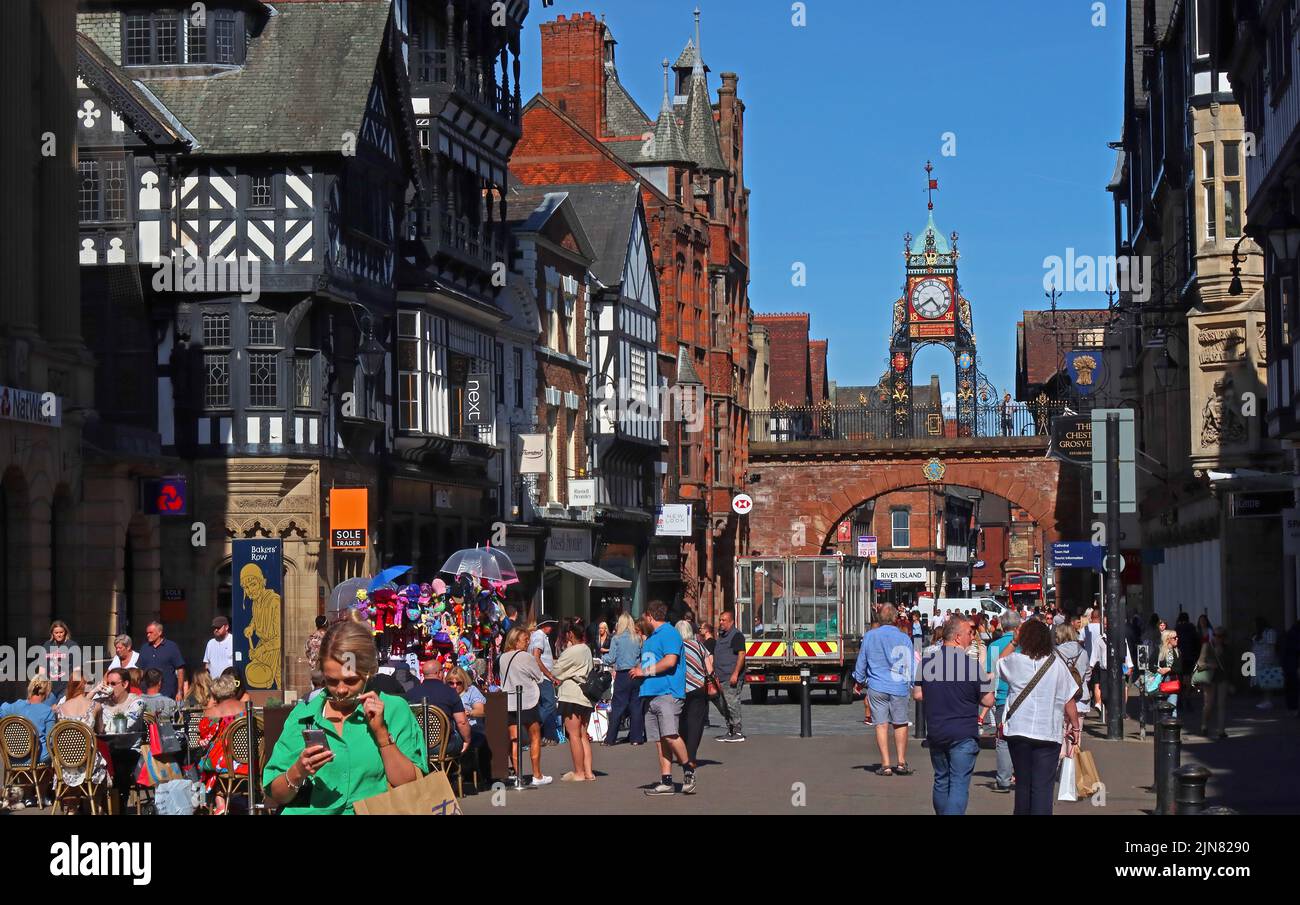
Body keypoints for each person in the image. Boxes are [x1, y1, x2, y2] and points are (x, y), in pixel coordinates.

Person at [263, 620, 425, 815]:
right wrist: (299, 770)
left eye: (351, 680)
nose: (340, 690)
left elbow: (409, 785)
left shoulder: (394, 710)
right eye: (331, 681)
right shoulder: (304, 715)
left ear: (368, 672)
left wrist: (382, 735)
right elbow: (276, 794)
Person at [996, 619, 1082, 815]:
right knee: (1043, 788)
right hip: (1047, 732)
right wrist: (1075, 726)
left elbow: (999, 663)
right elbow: (1069, 699)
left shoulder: (1015, 662)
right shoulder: (1057, 665)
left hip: (1019, 731)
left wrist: (1014, 642)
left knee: (1023, 786)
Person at [916, 616, 993, 814]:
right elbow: (988, 700)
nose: (971, 637)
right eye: (969, 633)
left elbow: (917, 694)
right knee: (958, 783)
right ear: (958, 637)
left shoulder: (926, 663)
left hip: (937, 731)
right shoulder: (972, 665)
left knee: (941, 780)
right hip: (963, 733)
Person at [631, 600, 693, 795]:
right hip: (650, 693)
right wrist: (639, 671)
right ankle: (666, 780)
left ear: (650, 616)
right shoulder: (650, 638)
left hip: (667, 692)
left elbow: (670, 661)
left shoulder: (669, 633)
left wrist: (644, 671)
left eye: (644, 617)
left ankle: (688, 770)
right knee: (660, 740)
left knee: (670, 735)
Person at [853, 604, 915, 776]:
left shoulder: (870, 636)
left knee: (881, 724)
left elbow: (862, 661)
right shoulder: (904, 638)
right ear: (896, 618)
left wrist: (858, 680)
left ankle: (886, 764)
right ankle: (901, 762)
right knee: (900, 722)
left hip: (877, 685)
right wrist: (912, 683)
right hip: (899, 685)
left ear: (880, 618)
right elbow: (911, 664)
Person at [498, 626, 550, 786]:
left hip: (509, 702)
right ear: (515, 641)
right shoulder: (526, 657)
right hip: (527, 700)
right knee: (535, 736)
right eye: (525, 640)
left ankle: (519, 775)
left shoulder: (502, 658)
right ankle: (537, 774)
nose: (528, 642)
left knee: (515, 740)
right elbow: (538, 677)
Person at [551, 618, 596, 782]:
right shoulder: (586, 649)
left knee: (574, 735)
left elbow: (555, 671)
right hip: (586, 697)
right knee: (583, 734)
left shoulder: (571, 651)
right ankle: (588, 771)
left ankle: (578, 772)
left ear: (570, 634)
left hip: (571, 695)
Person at [405, 648, 472, 756]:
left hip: (418, 745)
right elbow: (462, 722)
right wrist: (467, 741)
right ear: (439, 673)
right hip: (444, 745)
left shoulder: (411, 693)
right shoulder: (450, 692)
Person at [981, 610, 1019, 792]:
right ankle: (1020, 774)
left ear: (1002, 626)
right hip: (1023, 696)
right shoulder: (1025, 645)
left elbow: (990, 674)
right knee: (1022, 737)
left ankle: (1003, 779)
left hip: (1002, 696)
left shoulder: (994, 646)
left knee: (1003, 738)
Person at [602, 613, 645, 746]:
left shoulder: (617, 638)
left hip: (622, 674)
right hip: (636, 673)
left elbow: (611, 658)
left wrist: (601, 657)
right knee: (636, 707)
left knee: (618, 707)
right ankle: (636, 738)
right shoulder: (638, 638)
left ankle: (610, 739)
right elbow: (644, 656)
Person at [677, 620, 713, 777]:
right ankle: (691, 757)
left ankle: (683, 755)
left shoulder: (676, 647)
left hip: (681, 688)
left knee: (682, 722)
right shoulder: (699, 645)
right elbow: (710, 668)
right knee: (696, 723)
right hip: (698, 688)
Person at [0, 677, 57, 764]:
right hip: (37, 757)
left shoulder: (15, 706)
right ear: (47, 692)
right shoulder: (48, 711)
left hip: (13, 756)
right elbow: (51, 741)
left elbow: (2, 710)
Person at [711, 609, 747, 742]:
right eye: (720, 620)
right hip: (720, 676)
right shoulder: (721, 636)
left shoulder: (736, 635)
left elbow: (741, 655)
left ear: (731, 621)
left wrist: (735, 674)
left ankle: (737, 732)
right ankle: (730, 730)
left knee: (732, 703)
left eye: (723, 620)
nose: (721, 622)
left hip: (731, 676)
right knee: (723, 704)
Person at [1194, 626, 1233, 739]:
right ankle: (1204, 725)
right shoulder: (1207, 646)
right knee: (1209, 704)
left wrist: (1231, 682)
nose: (1216, 638)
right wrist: (1210, 665)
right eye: (1215, 635)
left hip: (1222, 678)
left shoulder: (1227, 649)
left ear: (1224, 637)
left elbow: (1231, 665)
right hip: (1209, 678)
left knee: (1222, 704)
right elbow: (1200, 663)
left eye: (1219, 636)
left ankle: (1221, 730)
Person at [135, 621, 186, 702]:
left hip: (167, 693)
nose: (148, 635)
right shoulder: (144, 648)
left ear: (159, 632)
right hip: (147, 694)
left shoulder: (171, 647)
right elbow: (140, 671)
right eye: (147, 633)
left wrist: (180, 691)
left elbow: (180, 669)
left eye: (151, 632)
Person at [529, 615, 560, 744]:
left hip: (541, 676)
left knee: (544, 705)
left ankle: (546, 734)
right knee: (550, 704)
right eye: (549, 624)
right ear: (543, 625)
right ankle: (530, 726)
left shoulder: (541, 636)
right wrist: (549, 675)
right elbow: (536, 657)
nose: (551, 627)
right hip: (542, 677)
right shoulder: (539, 635)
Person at [40, 620, 81, 699]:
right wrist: (41, 684)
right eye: (56, 633)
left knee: (61, 709)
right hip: (49, 687)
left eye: (61, 632)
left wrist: (74, 686)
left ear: (65, 632)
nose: (59, 635)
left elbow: (77, 670)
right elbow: (42, 668)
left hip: (65, 687)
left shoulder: (73, 646)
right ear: (52, 633)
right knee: (47, 708)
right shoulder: (47, 645)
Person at [447, 667, 486, 744]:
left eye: (458, 683)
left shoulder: (471, 690)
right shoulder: (445, 692)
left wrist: (467, 713)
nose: (454, 686)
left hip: (470, 728)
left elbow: (481, 711)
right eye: (451, 683)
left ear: (464, 682)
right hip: (451, 730)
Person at [1251, 617, 1281, 710]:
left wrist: (1269, 660)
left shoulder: (1270, 632)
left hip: (1266, 660)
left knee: (1267, 681)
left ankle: (1268, 701)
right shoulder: (1259, 633)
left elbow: (1272, 647)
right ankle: (1265, 700)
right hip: (1258, 660)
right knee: (1262, 681)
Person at [1154, 629, 1181, 718]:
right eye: (1174, 638)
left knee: (1173, 708)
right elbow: (1150, 665)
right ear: (1168, 639)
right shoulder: (1159, 650)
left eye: (1177, 637)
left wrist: (1169, 669)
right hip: (1161, 682)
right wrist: (1159, 670)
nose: (1177, 639)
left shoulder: (1177, 652)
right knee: (1162, 710)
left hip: (1172, 683)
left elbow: (1180, 668)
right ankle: (1162, 730)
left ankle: (1172, 730)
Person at [1283, 618, 1300, 714]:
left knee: (1291, 687)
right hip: (1293, 663)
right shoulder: (1294, 634)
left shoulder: (1291, 633)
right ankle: (1294, 707)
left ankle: (1293, 707)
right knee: (1294, 687)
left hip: (1289, 663)